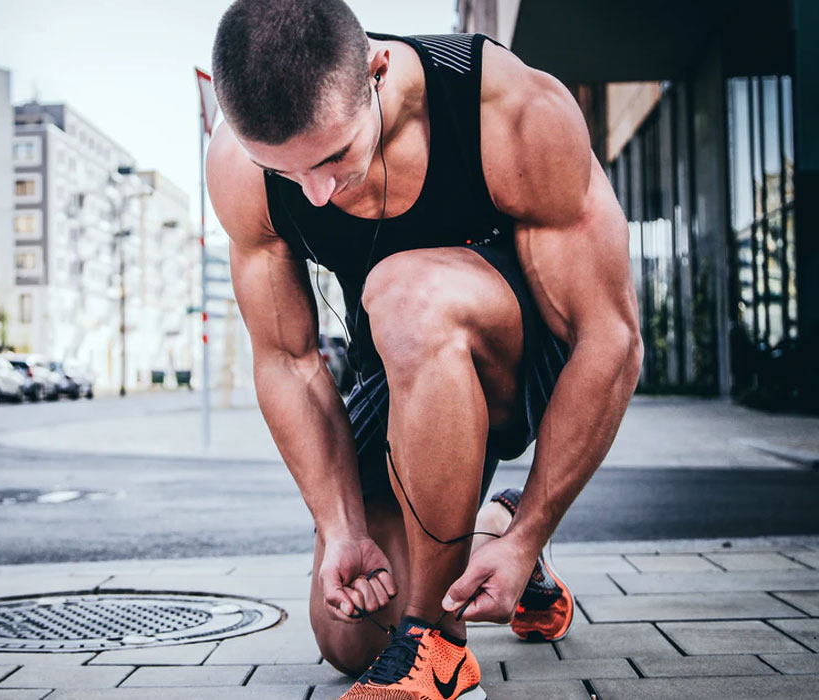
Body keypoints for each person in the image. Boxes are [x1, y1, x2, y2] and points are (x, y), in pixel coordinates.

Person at [205, 1, 643, 698]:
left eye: (334, 156)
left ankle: (438, 648)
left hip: (521, 358)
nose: (315, 194)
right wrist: (341, 527)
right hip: (400, 369)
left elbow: (610, 337)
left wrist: (532, 531)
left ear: (377, 72)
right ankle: (487, 528)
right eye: (285, 172)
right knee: (351, 637)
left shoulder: (507, 108)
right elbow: (287, 360)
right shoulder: (238, 167)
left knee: (406, 292)